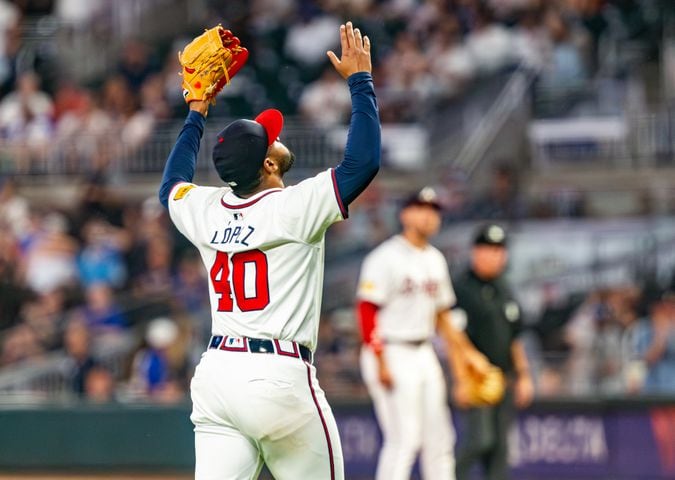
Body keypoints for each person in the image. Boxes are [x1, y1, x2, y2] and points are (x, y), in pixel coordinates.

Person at [158, 22, 380, 480]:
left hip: (218, 376)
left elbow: (170, 187)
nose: (278, 136)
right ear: (267, 164)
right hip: (278, 377)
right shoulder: (293, 208)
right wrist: (361, 83)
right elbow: (363, 163)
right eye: (271, 138)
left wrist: (196, 112)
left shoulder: (205, 207)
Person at [356, 187, 488, 480]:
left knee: (440, 437)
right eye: (420, 208)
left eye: (433, 210)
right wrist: (380, 361)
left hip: (423, 351)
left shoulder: (435, 259)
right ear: (404, 214)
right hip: (390, 348)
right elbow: (367, 312)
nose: (428, 215)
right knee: (405, 438)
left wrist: (468, 354)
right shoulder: (385, 257)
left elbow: (442, 316)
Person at [453, 224, 534, 480]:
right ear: (475, 252)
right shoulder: (462, 288)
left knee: (500, 448)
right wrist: (459, 380)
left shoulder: (505, 288)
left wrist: (524, 376)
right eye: (487, 249)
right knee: (480, 441)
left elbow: (515, 337)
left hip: (506, 377)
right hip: (477, 378)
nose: (493, 255)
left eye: (498, 250)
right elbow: (453, 338)